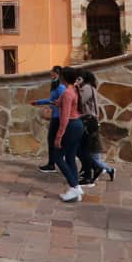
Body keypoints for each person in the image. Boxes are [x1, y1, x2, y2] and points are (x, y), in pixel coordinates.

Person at [76, 70, 116, 185]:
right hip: (89, 121)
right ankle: (99, 169)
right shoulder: (90, 88)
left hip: (88, 121)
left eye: (79, 78)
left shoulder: (87, 88)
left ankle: (102, 169)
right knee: (89, 151)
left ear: (84, 79)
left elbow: (79, 102)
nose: (77, 81)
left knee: (84, 150)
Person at [52, 66, 85, 202]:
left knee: (58, 157)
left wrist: (59, 136)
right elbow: (62, 102)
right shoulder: (73, 90)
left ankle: (74, 187)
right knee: (70, 158)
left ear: (63, 78)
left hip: (70, 126)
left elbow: (64, 117)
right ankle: (76, 188)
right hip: (77, 125)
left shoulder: (67, 93)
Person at [31, 66, 65, 173]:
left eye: (52, 72)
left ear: (57, 73)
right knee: (51, 140)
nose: (50, 73)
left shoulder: (60, 87)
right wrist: (38, 102)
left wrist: (43, 102)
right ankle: (52, 163)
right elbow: (51, 100)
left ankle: (53, 164)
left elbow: (61, 102)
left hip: (58, 118)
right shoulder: (56, 85)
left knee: (52, 140)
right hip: (55, 116)